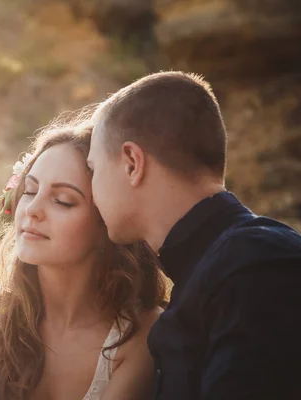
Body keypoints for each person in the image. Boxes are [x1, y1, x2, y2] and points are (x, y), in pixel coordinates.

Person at [87, 71, 301, 400]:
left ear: (132, 163)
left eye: (94, 169)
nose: (92, 190)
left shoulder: (254, 266)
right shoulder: (215, 271)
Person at [0, 121, 167, 400]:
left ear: (108, 221)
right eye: (30, 190)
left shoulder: (140, 335)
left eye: (62, 200)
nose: (33, 210)